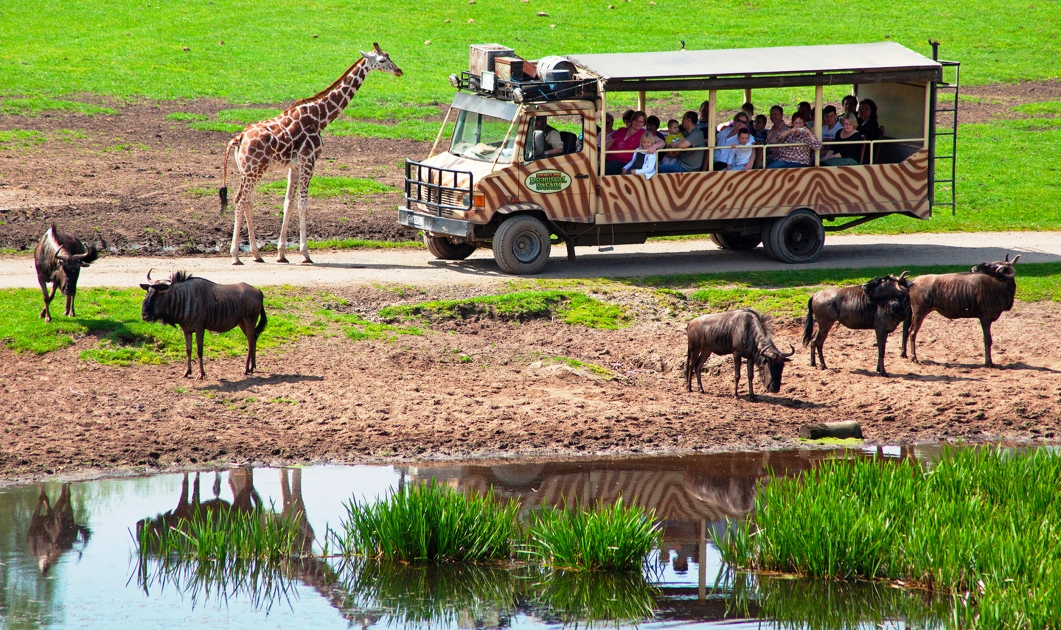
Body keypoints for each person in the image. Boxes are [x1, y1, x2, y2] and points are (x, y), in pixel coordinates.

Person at [605, 110, 662, 175]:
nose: (637, 123)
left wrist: (654, 147)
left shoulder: (645, 133)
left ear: (644, 123)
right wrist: (600, 161)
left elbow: (661, 142)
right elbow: (607, 146)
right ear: (632, 120)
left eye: (640, 121)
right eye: (635, 120)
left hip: (624, 162)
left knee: (600, 171)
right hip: (608, 159)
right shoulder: (621, 130)